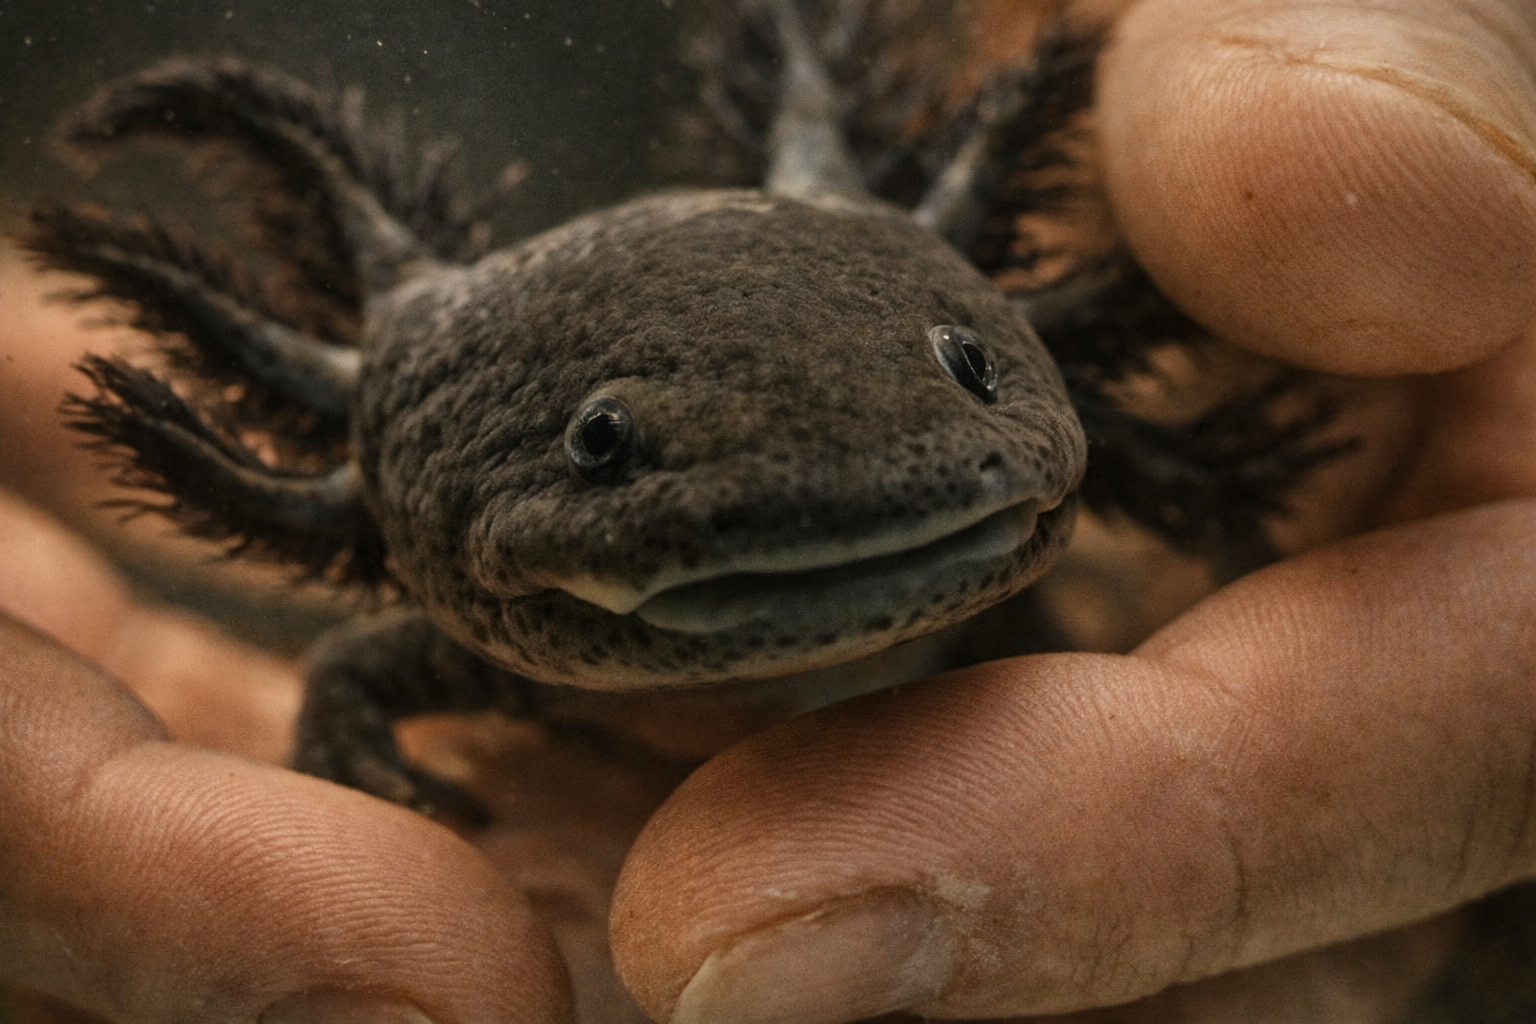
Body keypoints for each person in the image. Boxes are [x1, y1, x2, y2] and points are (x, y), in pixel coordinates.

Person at [3, 0, 1534, 1020]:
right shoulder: (426, 629)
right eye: (609, 450)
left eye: (960, 368)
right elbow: (349, 673)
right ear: (331, 481)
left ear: (1029, 327)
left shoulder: (1024, 550)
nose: (832, 505)